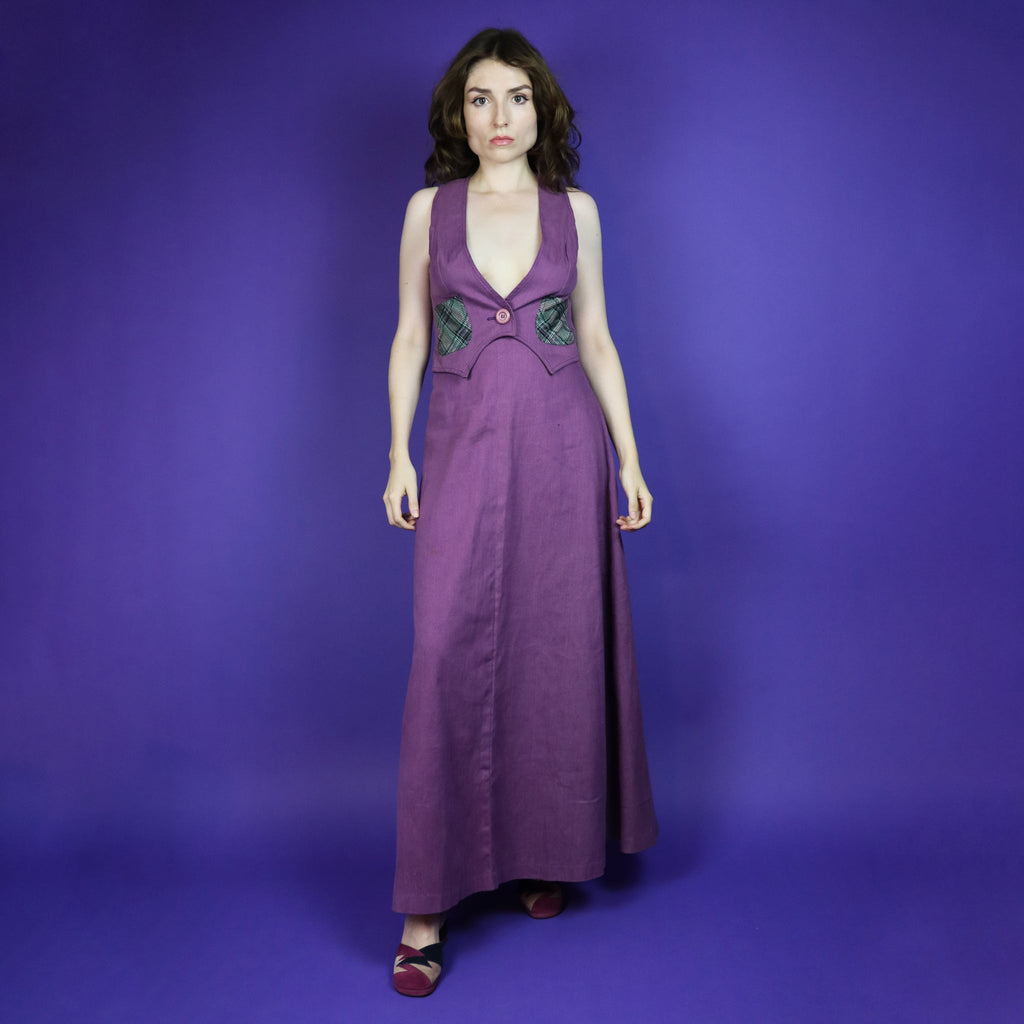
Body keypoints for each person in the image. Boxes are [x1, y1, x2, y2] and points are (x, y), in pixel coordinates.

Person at [383, 27, 658, 997]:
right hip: (460, 453)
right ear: (457, 116)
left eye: (516, 98)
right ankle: (424, 907)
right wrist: (396, 453)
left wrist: (630, 457)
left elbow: (596, 338)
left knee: (553, 649)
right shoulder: (429, 211)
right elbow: (411, 337)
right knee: (443, 649)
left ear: (542, 111)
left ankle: (545, 851)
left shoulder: (576, 212)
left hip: (561, 453)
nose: (498, 117)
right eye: (479, 99)